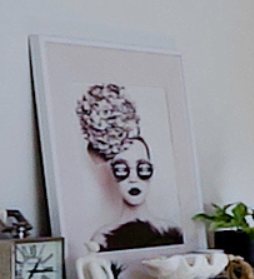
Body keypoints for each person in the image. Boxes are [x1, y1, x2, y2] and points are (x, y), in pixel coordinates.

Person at [78, 84, 183, 253]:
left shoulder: (174, 232)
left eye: (142, 169)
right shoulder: (101, 238)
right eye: (122, 170)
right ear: (111, 172)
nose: (133, 179)